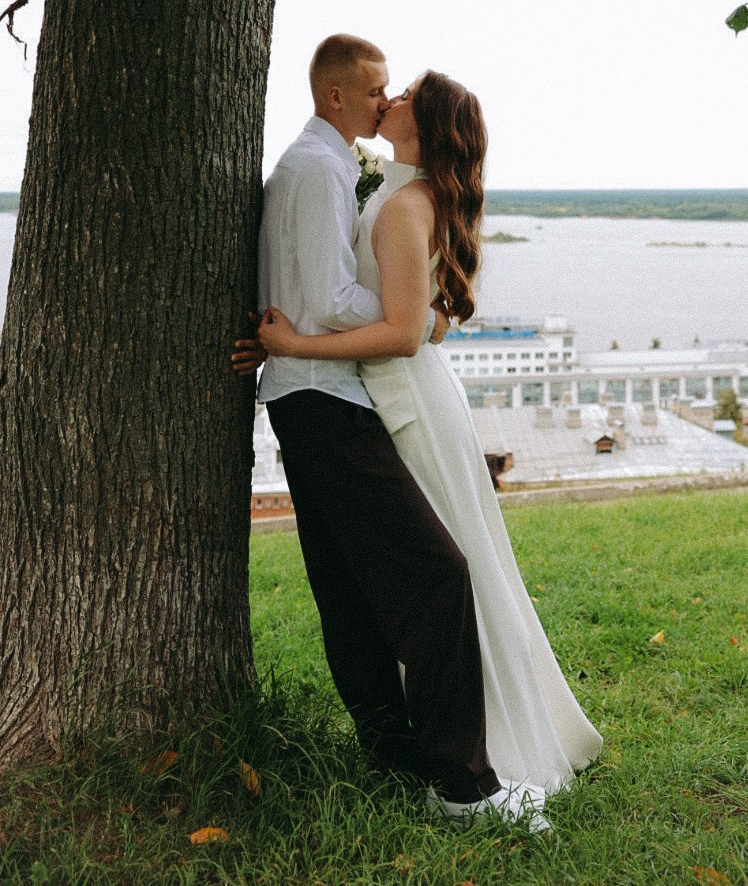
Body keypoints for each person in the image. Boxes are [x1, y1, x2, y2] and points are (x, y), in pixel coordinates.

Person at [258, 70, 603, 818]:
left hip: (406, 395)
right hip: (392, 391)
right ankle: (435, 748)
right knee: (436, 565)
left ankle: (479, 765)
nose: (394, 96)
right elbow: (410, 310)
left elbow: (404, 331)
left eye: (408, 90)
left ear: (429, 122)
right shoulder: (392, 192)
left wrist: (287, 344)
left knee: (450, 567)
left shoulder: (403, 205)